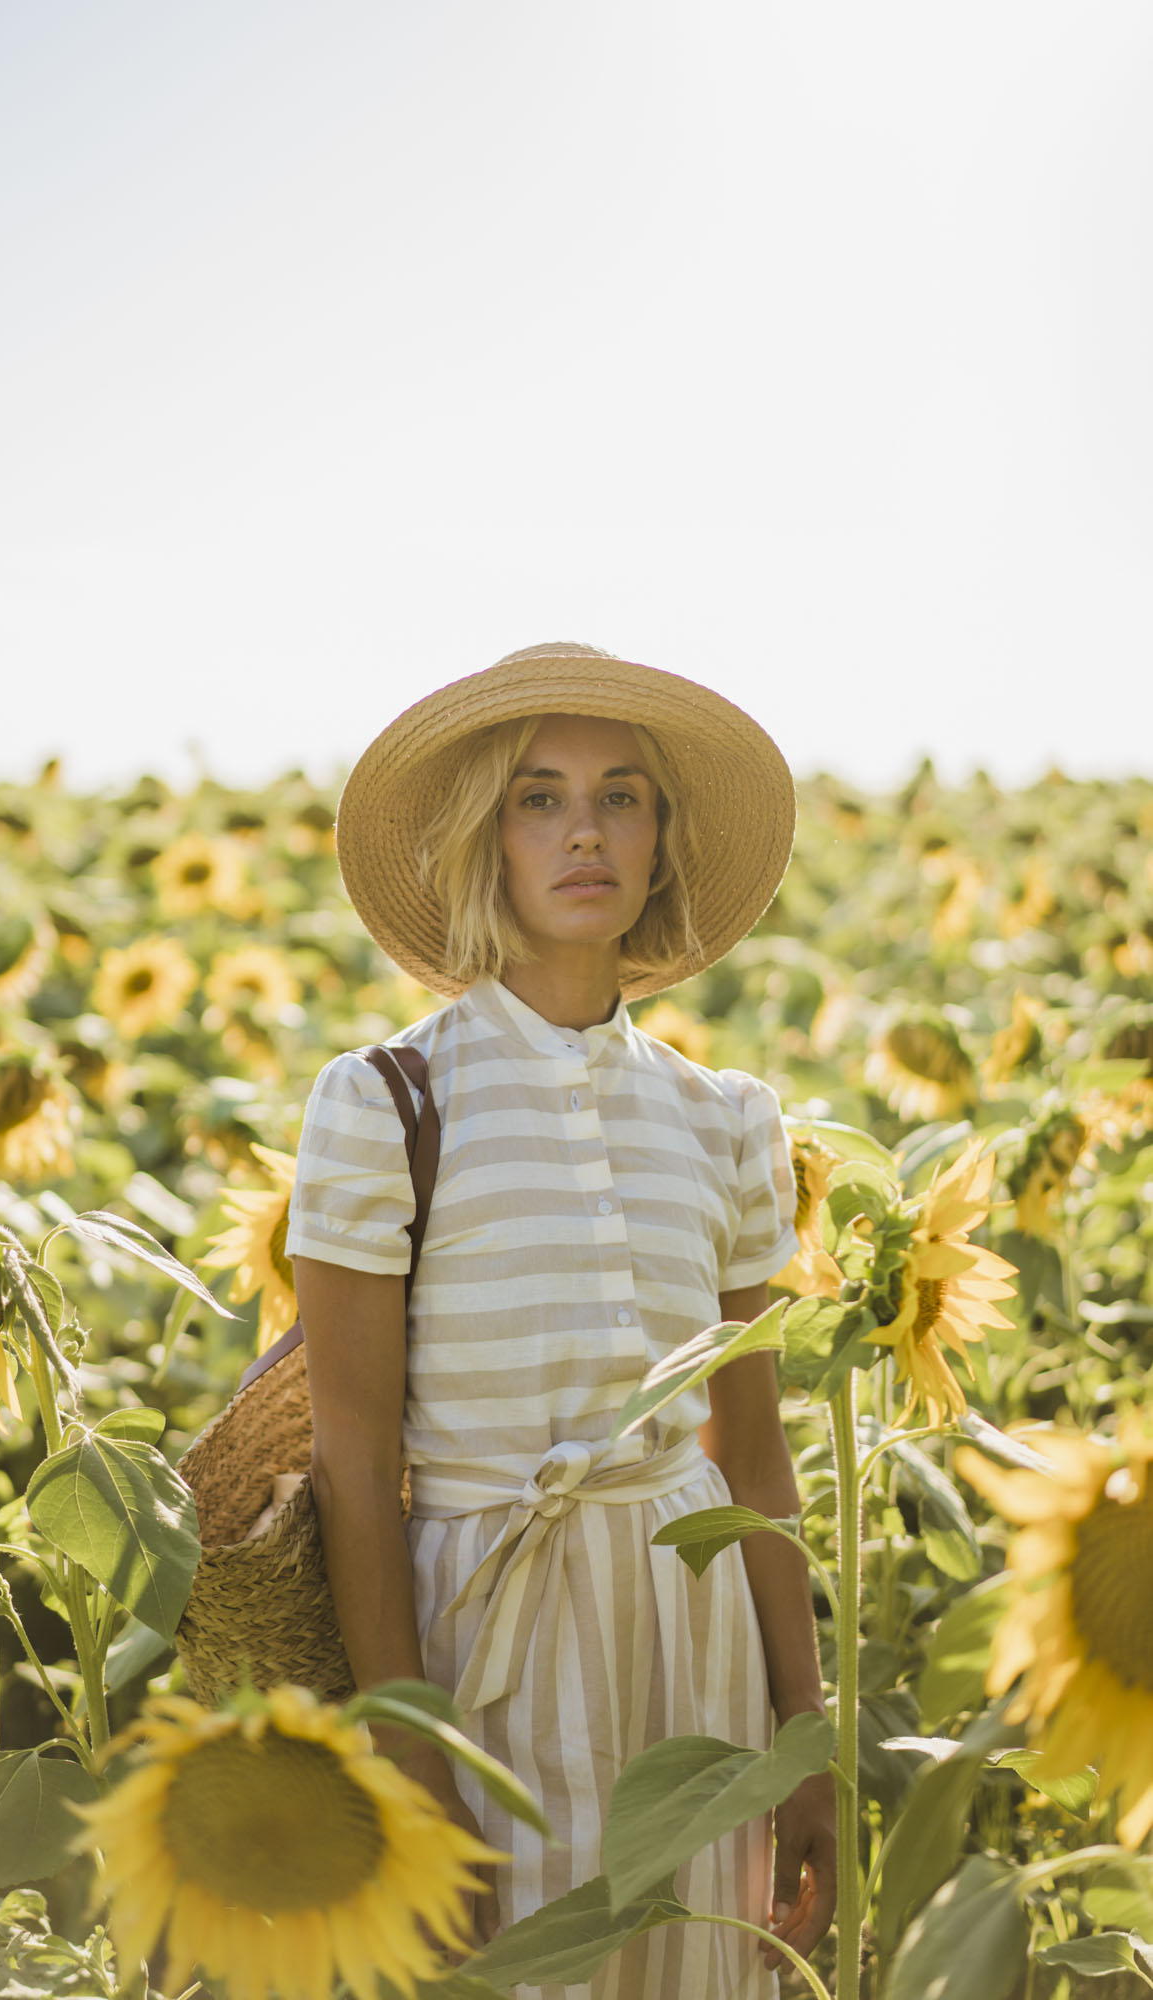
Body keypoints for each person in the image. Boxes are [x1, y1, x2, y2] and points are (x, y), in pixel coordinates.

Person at [286, 641, 837, 2000]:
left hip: (691, 1628)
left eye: (623, 796)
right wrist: (409, 1745)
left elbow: (751, 1463)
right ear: (487, 839)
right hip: (482, 1652)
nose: (583, 829)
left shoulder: (726, 1119)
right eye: (538, 798)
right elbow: (355, 1462)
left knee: (700, 1972)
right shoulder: (385, 1101)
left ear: (662, 843)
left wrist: (802, 1737)